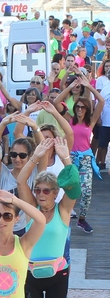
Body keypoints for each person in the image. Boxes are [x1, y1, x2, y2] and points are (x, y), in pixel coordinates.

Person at [18, 138, 77, 298]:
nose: (41, 194)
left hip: (57, 275)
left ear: (55, 193)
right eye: (38, 190)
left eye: (46, 190)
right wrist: (35, 157)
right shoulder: (31, 209)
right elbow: (21, 181)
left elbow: (74, 187)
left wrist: (65, 158)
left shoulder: (63, 210)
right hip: (31, 274)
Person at [55, 76, 103, 233]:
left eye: (83, 107)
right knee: (66, 188)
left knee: (86, 191)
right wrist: (70, 87)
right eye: (78, 107)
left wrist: (88, 86)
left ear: (87, 109)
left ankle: (82, 219)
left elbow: (101, 101)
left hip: (86, 158)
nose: (80, 109)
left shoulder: (90, 122)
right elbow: (56, 103)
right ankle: (64, 215)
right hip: (70, 158)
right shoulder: (69, 119)